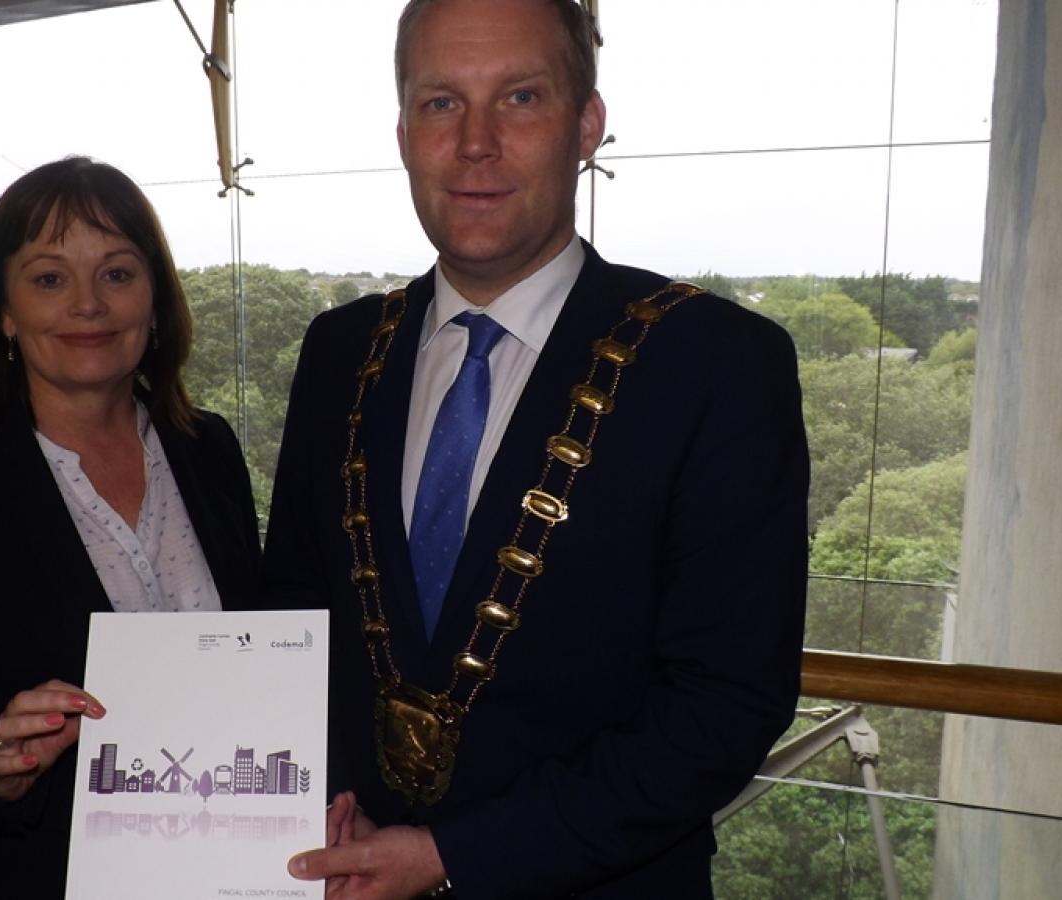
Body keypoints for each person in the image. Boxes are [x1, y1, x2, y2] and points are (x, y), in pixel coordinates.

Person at [262, 1, 809, 897]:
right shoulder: (339, 352)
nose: (475, 142)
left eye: (520, 97)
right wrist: (319, 801)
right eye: (441, 103)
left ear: (586, 126)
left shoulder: (717, 364)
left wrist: (453, 858)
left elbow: (724, 707)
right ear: (403, 131)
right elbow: (296, 613)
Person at [0, 156, 261, 896]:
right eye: (50, 278)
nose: (88, 305)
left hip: (221, 871)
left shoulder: (209, 449)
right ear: (3, 311)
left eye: (118, 274)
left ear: (155, 301)